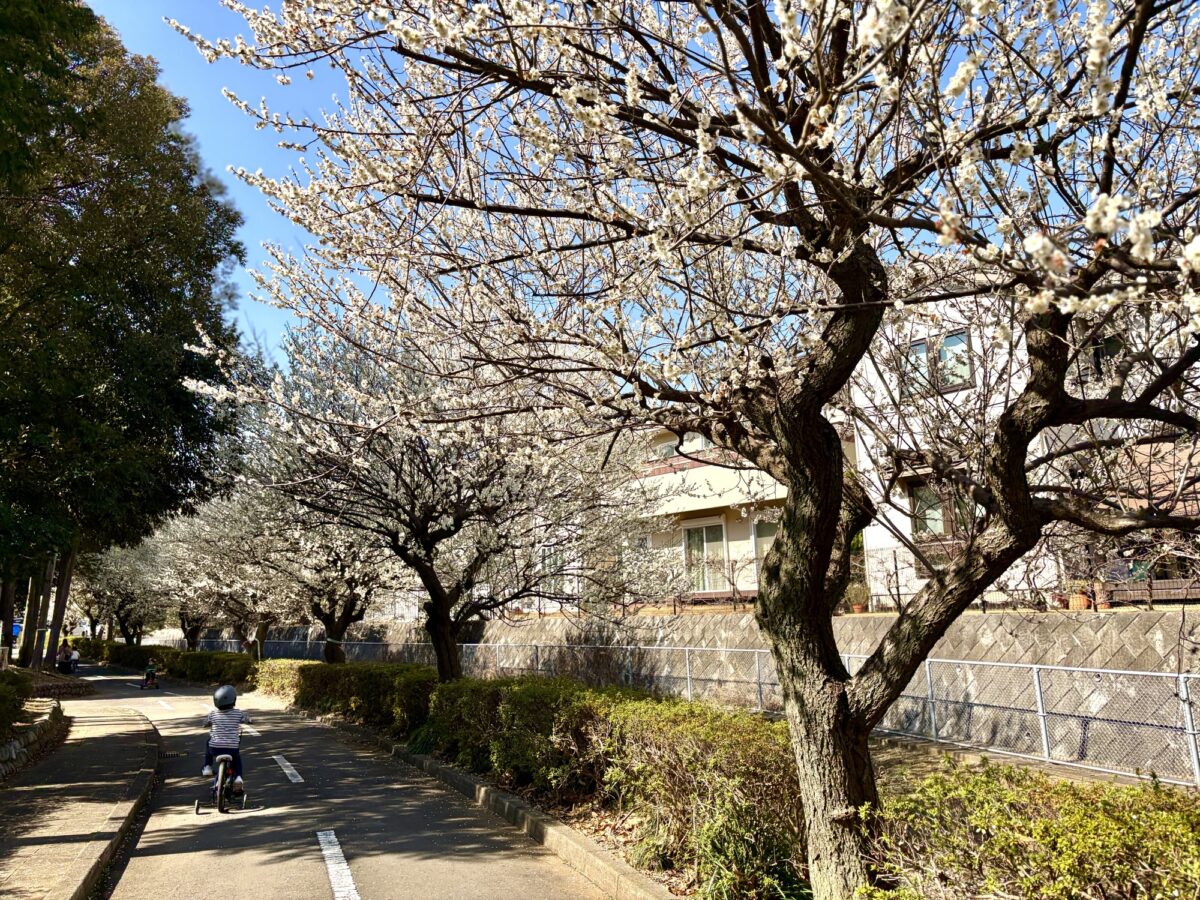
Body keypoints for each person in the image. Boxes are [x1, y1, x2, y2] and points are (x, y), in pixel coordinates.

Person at [201, 685, 251, 788]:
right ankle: (238, 777)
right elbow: (246, 719)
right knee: (236, 759)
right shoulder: (238, 713)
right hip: (231, 748)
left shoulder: (213, 714)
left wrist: (206, 724)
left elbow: (205, 723)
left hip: (215, 748)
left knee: (208, 742)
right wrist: (249, 720)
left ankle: (207, 767)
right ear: (233, 700)